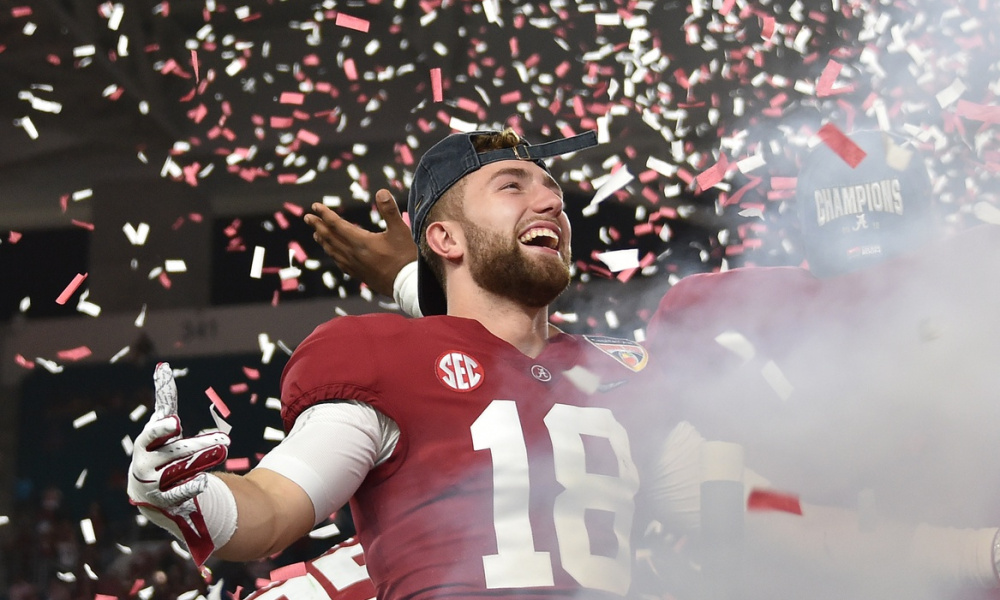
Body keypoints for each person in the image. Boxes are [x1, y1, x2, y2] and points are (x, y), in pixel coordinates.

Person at [128, 128, 1000, 600]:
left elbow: (775, 518)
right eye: (512, 185)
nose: (548, 197)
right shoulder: (378, 358)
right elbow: (275, 509)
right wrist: (187, 494)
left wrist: (977, 552)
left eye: (551, 189)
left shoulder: (618, 382)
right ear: (444, 238)